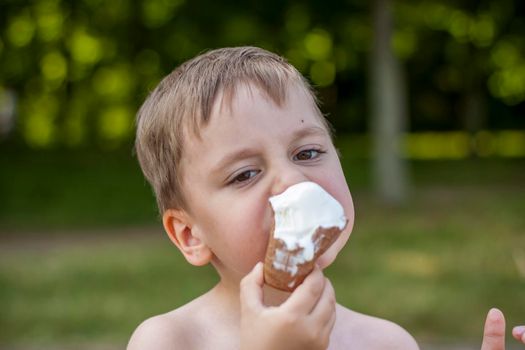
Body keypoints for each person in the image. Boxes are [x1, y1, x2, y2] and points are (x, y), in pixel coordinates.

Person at [127, 46, 524, 349]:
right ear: (190, 235)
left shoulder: (385, 343)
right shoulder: (171, 340)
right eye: (245, 174)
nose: (293, 180)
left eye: (307, 153)